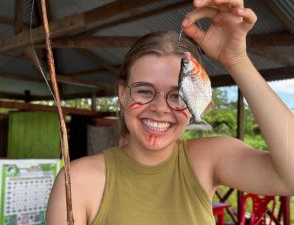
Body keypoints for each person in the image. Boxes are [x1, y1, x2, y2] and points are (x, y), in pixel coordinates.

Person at [46, 0, 294, 224]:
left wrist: (237, 60)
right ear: (122, 93)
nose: (160, 108)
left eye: (177, 95)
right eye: (144, 91)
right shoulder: (77, 181)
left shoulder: (208, 158)